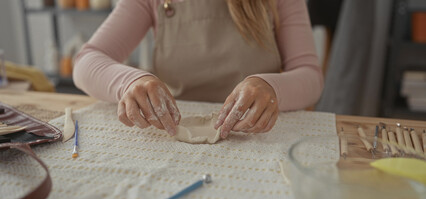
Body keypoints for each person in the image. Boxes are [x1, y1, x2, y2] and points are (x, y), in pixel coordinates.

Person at [73, 0, 324, 139]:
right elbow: (86, 61)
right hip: (175, 139)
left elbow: (310, 75)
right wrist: (129, 81)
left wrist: (272, 88)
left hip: (255, 138)